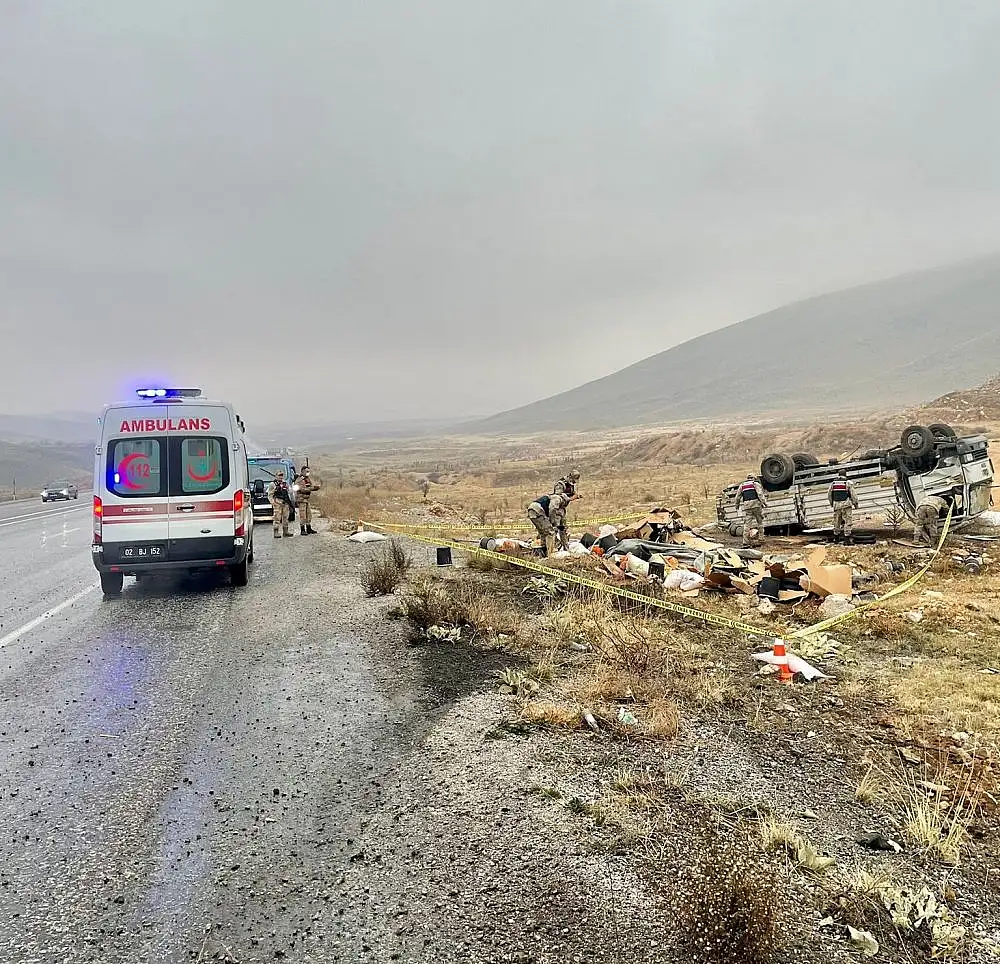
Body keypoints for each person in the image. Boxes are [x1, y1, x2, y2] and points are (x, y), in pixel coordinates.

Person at [527, 492, 570, 557]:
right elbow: (552, 508)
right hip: (538, 510)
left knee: (543, 533)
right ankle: (550, 554)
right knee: (550, 533)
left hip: (532, 510)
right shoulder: (558, 498)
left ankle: (542, 553)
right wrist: (552, 521)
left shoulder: (550, 498)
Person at [828, 469, 860, 544]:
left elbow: (829, 494)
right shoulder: (848, 482)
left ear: (838, 475)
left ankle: (836, 538)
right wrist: (855, 504)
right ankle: (847, 540)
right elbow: (853, 495)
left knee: (837, 521)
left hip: (836, 505)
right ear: (845, 475)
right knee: (847, 521)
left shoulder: (833, 483)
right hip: (846, 505)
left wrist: (832, 503)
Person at [553, 470, 581, 550]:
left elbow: (571, 493)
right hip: (556, 510)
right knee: (555, 529)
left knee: (563, 529)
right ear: (570, 477)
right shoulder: (560, 484)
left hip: (562, 510)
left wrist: (576, 496)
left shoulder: (570, 485)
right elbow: (557, 498)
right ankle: (553, 548)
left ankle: (565, 548)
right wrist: (571, 498)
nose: (574, 482)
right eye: (574, 480)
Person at [736, 474, 767, 547]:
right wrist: (764, 503)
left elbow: (737, 497)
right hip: (756, 505)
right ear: (754, 478)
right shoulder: (755, 484)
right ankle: (761, 539)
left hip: (747, 506)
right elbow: (760, 494)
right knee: (760, 522)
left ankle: (745, 542)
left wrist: (737, 505)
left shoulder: (742, 485)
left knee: (747, 524)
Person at [294, 465, 320, 535]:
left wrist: (316, 487)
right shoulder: (299, 480)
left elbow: (311, 486)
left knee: (309, 514)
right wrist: (312, 488)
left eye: (308, 471)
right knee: (303, 515)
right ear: (302, 471)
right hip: (301, 499)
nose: (308, 473)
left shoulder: (307, 479)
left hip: (306, 499)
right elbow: (302, 489)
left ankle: (308, 528)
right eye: (307, 471)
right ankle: (302, 529)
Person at [268, 470, 295, 538]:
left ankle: (285, 531)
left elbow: (289, 492)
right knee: (277, 518)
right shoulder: (273, 484)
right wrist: (273, 502)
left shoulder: (285, 483)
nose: (280, 477)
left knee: (286, 517)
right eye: (279, 475)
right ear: (276, 476)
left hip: (285, 503)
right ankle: (276, 532)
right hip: (278, 502)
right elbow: (270, 495)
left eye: (281, 475)